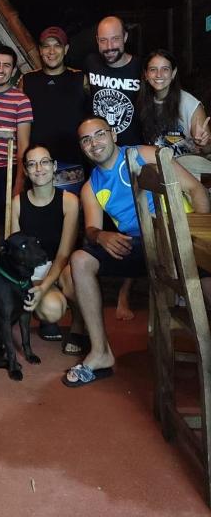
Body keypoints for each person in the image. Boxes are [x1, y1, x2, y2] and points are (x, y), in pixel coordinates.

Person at [62, 116, 210, 388]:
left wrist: (198, 241)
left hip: (182, 238)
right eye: (86, 140)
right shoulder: (90, 187)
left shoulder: (145, 154)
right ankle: (100, 353)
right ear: (82, 147)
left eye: (99, 134)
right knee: (80, 260)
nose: (94, 143)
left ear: (113, 135)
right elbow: (92, 229)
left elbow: (195, 189)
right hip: (142, 246)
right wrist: (100, 235)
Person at [84, 15, 143, 319]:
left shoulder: (140, 69)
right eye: (103, 40)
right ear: (97, 41)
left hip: (130, 156)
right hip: (98, 153)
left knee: (136, 220)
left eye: (115, 39)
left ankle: (125, 292)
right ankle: (89, 288)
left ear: (125, 38)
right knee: (100, 222)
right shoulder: (90, 64)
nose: (109, 46)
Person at [11, 144, 79, 342]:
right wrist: (33, 285)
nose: (39, 169)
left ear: (54, 165)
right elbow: (17, 253)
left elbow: (64, 254)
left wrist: (45, 286)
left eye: (44, 162)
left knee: (75, 276)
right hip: (31, 273)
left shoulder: (69, 201)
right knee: (52, 309)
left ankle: (80, 326)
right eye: (32, 164)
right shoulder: (17, 203)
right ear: (25, 170)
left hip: (58, 269)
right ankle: (42, 313)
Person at [21, 26, 88, 196]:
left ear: (66, 49)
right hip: (37, 167)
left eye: (57, 46)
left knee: (71, 212)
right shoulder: (27, 81)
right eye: (46, 46)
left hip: (72, 166)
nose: (51, 51)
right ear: (40, 50)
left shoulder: (80, 79)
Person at [0, 44, 33, 252]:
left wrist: (18, 183)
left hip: (6, 171)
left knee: (1, 228)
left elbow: (23, 145)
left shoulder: (21, 100)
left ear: (13, 70)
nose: (0, 69)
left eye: (6, 65)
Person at [137, 49, 211, 156]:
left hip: (186, 163)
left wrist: (203, 142)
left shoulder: (189, 103)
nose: (159, 75)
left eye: (165, 69)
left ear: (173, 73)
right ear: (146, 74)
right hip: (156, 161)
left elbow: (208, 150)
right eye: (153, 69)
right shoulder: (143, 102)